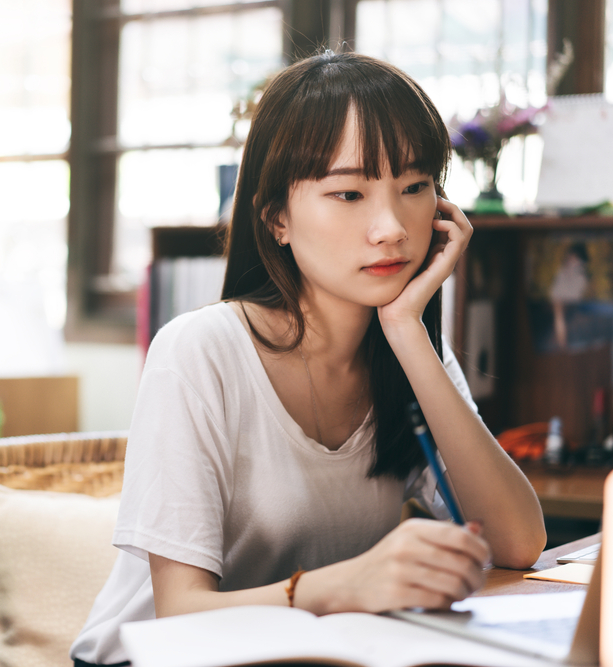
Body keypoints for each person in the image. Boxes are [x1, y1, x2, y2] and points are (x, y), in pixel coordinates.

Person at [70, 50, 546, 667]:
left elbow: (518, 542)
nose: (391, 228)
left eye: (414, 188)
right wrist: (339, 586)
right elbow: (179, 615)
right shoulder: (198, 352)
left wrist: (406, 330)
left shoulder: (407, 352)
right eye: (348, 193)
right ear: (276, 218)